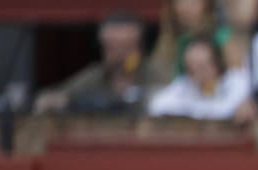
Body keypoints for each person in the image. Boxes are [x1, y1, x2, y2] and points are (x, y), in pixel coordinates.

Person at [34, 9, 164, 115]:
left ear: (139, 47)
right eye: (112, 47)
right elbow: (54, 97)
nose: (119, 55)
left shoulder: (157, 74)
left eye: (126, 47)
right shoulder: (95, 76)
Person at [147, 35, 252, 119]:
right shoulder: (184, 85)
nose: (198, 75)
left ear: (217, 65)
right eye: (192, 69)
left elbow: (231, 108)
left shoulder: (234, 81)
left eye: (202, 67)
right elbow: (157, 106)